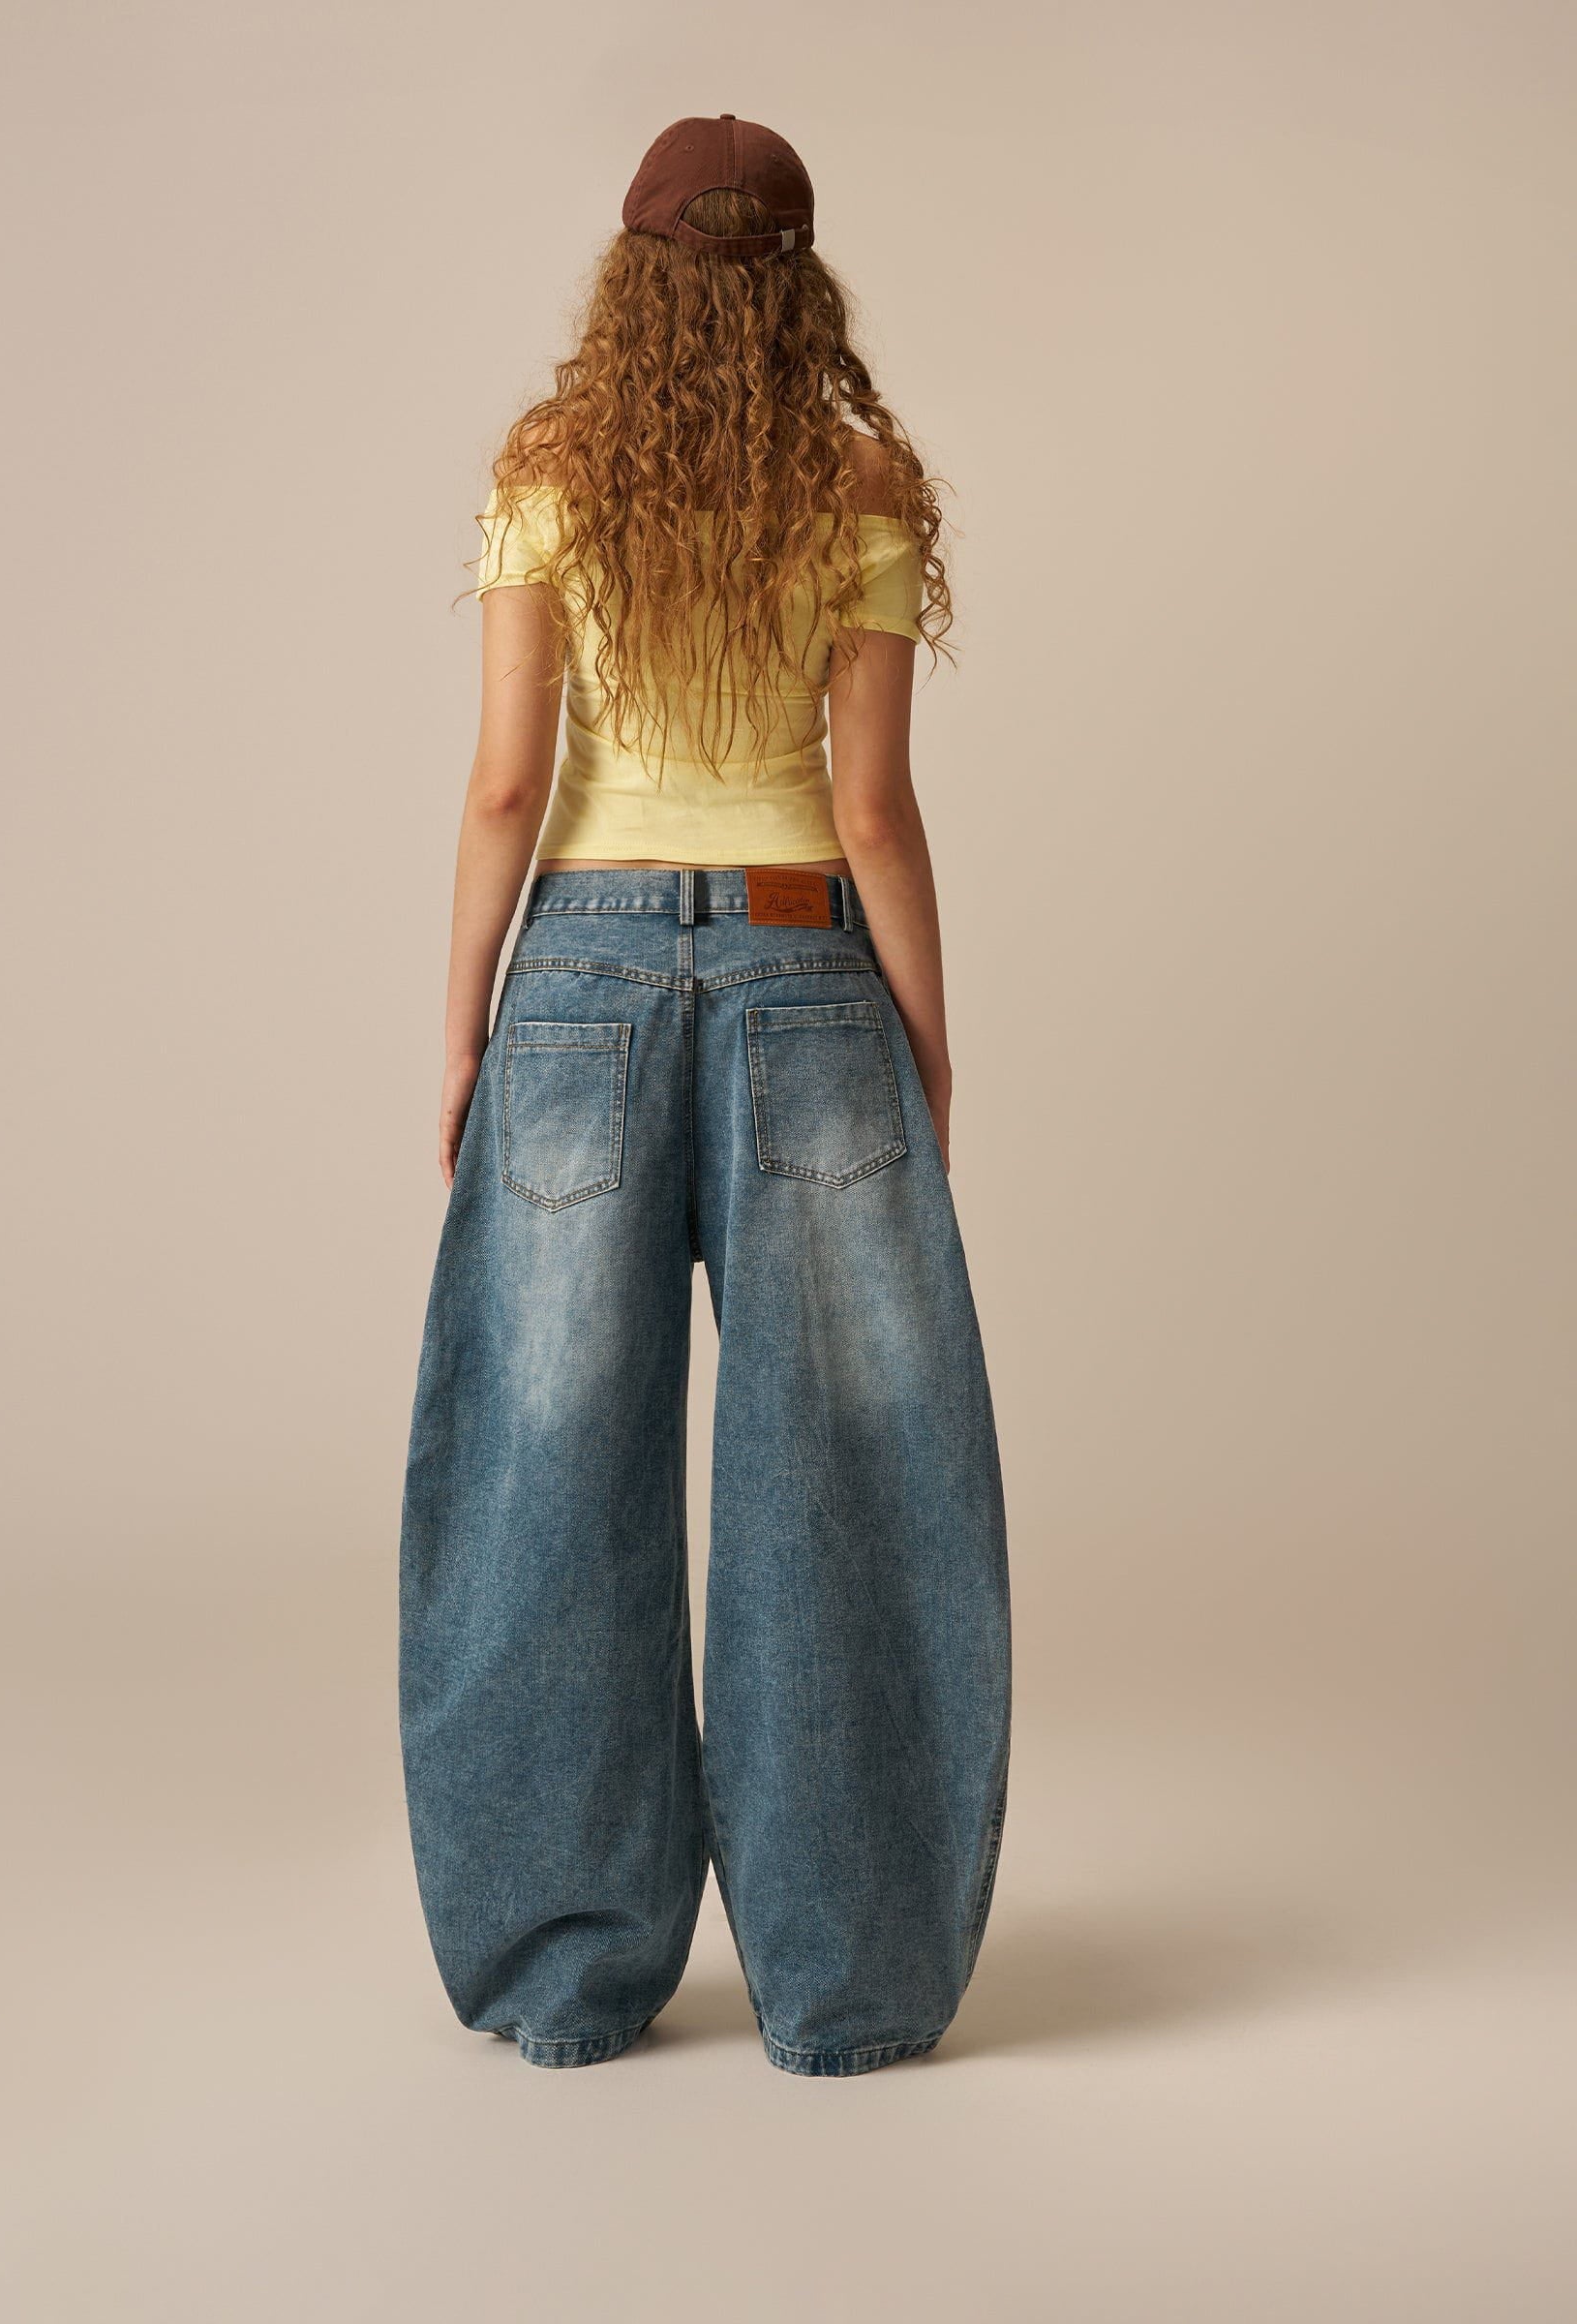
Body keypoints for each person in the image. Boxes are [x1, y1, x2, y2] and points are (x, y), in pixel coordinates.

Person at [398, 114, 1011, 2077]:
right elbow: (873, 811)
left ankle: (565, 1974)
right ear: (802, 283)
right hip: (805, 973)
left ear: (634, 277)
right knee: (846, 1478)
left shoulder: (551, 471)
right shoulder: (859, 485)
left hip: (575, 979)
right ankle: (851, 1981)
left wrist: (466, 1029)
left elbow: (508, 786)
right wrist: (923, 1039)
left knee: (547, 1474)